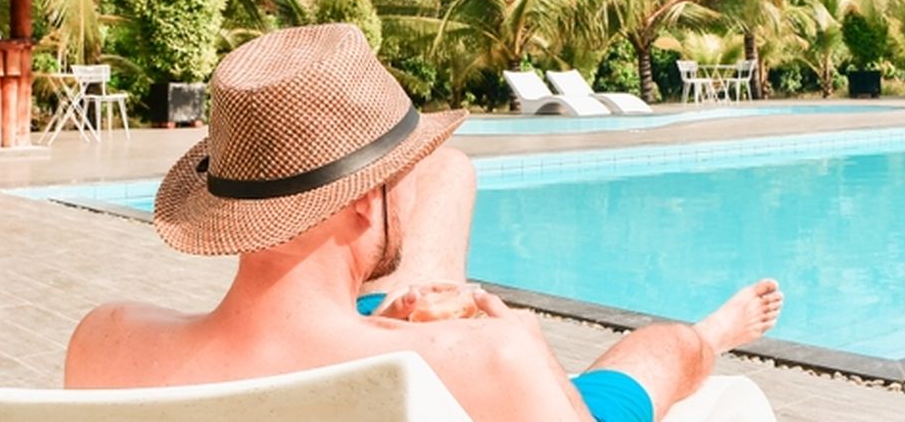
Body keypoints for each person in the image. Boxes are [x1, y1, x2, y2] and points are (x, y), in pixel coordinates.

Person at [63, 24, 785, 422]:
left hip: (359, 353)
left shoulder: (106, 341)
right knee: (660, 350)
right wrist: (528, 350)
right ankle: (713, 333)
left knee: (450, 175)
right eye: (391, 173)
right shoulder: (492, 359)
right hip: (512, 403)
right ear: (358, 198)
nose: (400, 182)